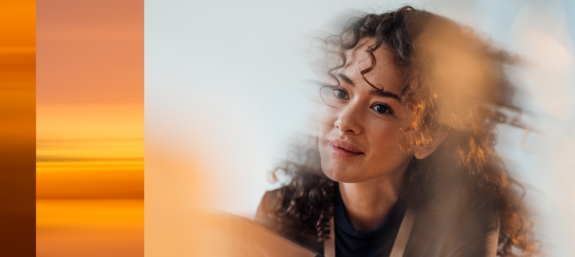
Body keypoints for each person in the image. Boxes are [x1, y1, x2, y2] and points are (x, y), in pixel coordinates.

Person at [255, 5, 538, 257]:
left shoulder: (463, 224)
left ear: (425, 138)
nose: (344, 121)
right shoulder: (280, 210)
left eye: (381, 108)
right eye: (341, 92)